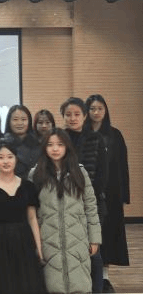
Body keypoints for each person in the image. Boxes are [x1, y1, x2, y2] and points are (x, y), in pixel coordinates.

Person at [30, 129, 102, 294]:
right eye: (50, 145)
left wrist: (94, 239)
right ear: (44, 148)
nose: (55, 149)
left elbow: (91, 207)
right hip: (49, 241)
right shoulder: (36, 174)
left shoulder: (80, 172)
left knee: (80, 284)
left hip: (78, 240)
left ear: (67, 147)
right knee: (52, 285)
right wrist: (35, 243)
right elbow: (32, 214)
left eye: (60, 144)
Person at [0, 139, 46, 294]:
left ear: (16, 158)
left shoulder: (28, 186)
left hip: (23, 241)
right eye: (1, 157)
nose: (6, 161)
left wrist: (39, 247)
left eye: (10, 157)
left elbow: (32, 218)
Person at [61, 97, 108, 293]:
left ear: (85, 116)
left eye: (77, 114)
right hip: (66, 205)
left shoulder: (96, 139)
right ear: (63, 117)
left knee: (93, 252)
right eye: (68, 114)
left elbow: (102, 174)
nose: (73, 118)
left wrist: (90, 199)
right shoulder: (59, 139)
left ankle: (96, 289)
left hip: (92, 204)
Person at [85, 94, 130, 291]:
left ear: (105, 111)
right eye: (92, 108)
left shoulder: (115, 135)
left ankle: (104, 277)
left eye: (100, 108)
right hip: (88, 192)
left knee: (109, 236)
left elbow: (123, 167)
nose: (96, 112)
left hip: (111, 194)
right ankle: (88, 275)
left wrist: (124, 195)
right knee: (89, 235)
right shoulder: (82, 134)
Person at [3, 105, 40, 178]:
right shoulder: (2, 144)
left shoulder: (38, 144)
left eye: (23, 119)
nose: (19, 123)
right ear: (9, 122)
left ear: (29, 121)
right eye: (15, 119)